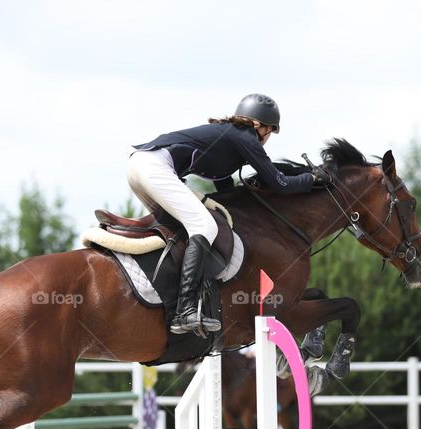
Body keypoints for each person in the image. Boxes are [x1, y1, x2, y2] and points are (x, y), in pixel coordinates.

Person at [128, 94, 330, 336]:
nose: (267, 138)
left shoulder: (229, 136)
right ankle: (185, 310)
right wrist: (313, 178)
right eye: (270, 131)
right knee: (204, 227)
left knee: (183, 229)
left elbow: (224, 188)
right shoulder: (245, 137)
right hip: (154, 167)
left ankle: (169, 297)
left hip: (139, 167)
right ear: (261, 126)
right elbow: (281, 183)